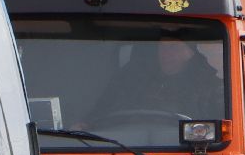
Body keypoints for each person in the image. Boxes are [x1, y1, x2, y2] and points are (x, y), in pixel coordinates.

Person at [89, 36, 223, 126]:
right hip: (127, 148)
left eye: (174, 47)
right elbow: (103, 110)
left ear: (190, 53)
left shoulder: (212, 88)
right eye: (162, 47)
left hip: (187, 152)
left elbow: (221, 133)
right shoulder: (130, 82)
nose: (165, 54)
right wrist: (86, 123)